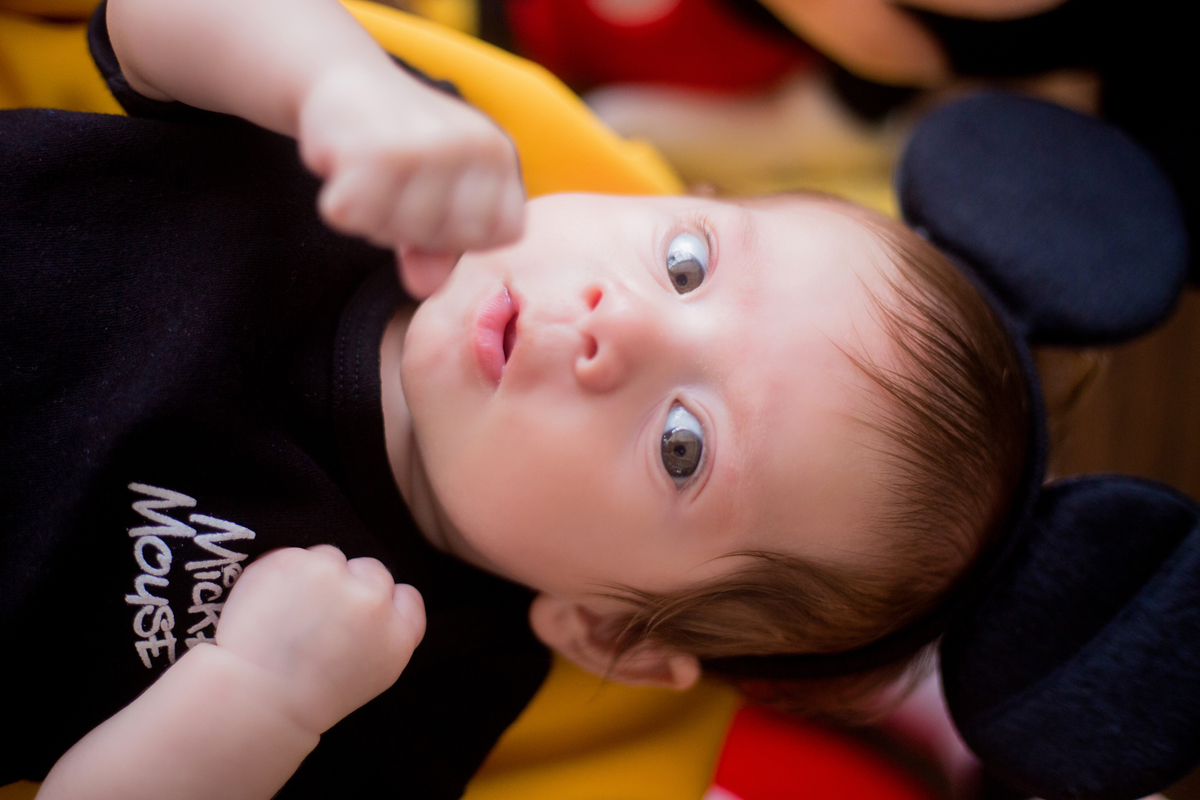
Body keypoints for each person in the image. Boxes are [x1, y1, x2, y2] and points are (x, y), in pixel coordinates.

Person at [0, 0, 1028, 798]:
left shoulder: (407, 691)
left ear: (608, 634)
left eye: (683, 446)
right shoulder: (401, 158)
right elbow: (144, 23)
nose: (613, 322)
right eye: (683, 262)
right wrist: (331, 81)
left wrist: (254, 696)